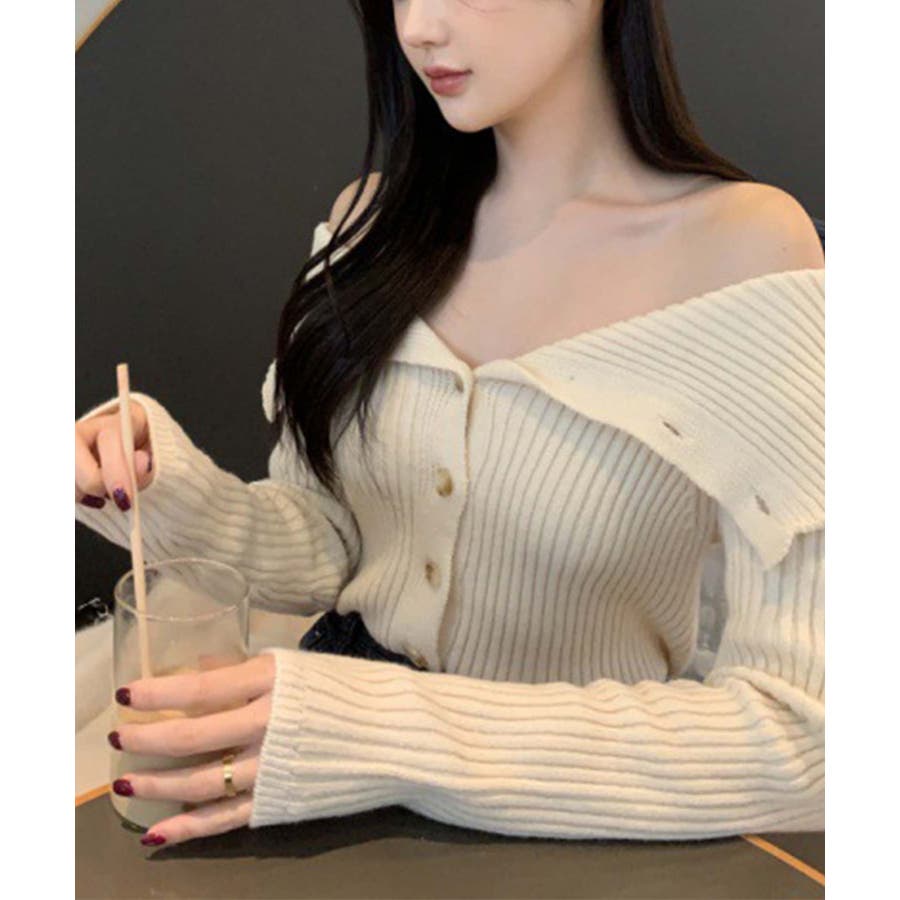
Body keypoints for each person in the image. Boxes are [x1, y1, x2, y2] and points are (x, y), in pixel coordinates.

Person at [74, 0, 825, 847]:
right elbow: (333, 543)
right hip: (321, 794)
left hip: (584, 833)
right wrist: (154, 486)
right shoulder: (371, 223)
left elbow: (808, 740)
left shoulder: (745, 251)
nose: (418, 28)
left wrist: (384, 734)